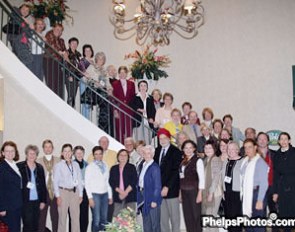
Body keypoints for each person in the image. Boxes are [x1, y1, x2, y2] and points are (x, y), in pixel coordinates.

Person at [154, 128, 182, 232]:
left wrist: (167, 187)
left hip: (171, 190)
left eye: (164, 138)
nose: (162, 140)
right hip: (159, 191)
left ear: (169, 138)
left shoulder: (176, 152)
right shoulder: (157, 151)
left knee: (174, 218)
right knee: (163, 220)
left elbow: (176, 171)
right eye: (160, 138)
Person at [53, 144, 83, 232]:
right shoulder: (58, 166)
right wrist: (58, 196)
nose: (67, 153)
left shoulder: (76, 165)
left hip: (74, 192)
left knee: (75, 218)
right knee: (62, 218)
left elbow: (79, 180)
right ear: (62, 153)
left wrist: (81, 194)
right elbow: (55, 182)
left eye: (69, 151)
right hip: (63, 192)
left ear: (72, 153)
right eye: (65, 151)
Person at [240, 139, 268, 232]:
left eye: (250, 147)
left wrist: (260, 200)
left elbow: (264, 183)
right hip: (247, 194)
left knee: (257, 224)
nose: (247, 149)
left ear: (255, 147)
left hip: (257, 194)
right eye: (245, 147)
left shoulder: (260, 162)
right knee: (248, 223)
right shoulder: (245, 161)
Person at [17, 145, 47, 232]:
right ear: (26, 154)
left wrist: (43, 201)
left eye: (34, 154)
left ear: (36, 155)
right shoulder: (20, 166)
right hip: (25, 201)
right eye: (30, 153)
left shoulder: (39, 167)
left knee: (35, 224)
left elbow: (43, 186)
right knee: (27, 224)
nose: (32, 156)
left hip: (37, 201)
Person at [85, 146, 112, 231]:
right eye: (96, 154)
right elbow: (87, 183)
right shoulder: (90, 167)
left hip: (105, 194)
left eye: (100, 154)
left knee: (104, 219)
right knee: (96, 219)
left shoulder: (105, 165)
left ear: (102, 154)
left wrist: (110, 196)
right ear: (93, 155)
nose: (98, 156)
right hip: (95, 195)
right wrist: (90, 198)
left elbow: (107, 181)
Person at [83, 52, 113, 131]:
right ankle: (100, 127)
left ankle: (103, 127)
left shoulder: (105, 71)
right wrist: (94, 82)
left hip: (102, 91)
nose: (100, 60)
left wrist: (110, 89)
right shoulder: (91, 67)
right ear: (96, 59)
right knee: (104, 102)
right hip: (93, 90)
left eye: (102, 59)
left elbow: (107, 83)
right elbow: (86, 78)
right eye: (99, 58)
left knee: (107, 106)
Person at [179, 140, 204, 232]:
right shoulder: (183, 162)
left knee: (196, 216)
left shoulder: (198, 160)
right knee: (187, 216)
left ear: (194, 149)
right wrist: (180, 193)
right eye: (186, 148)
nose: (188, 150)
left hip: (194, 192)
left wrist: (200, 193)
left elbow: (202, 178)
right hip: (184, 191)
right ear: (183, 149)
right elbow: (181, 178)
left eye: (190, 147)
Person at [273, 132, 295, 231]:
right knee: (284, 214)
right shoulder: (276, 155)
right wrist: (275, 192)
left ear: (289, 140)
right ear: (278, 141)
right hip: (281, 188)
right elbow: (275, 174)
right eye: (281, 139)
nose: (283, 141)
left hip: (293, 186)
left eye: (286, 139)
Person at [138, 145, 162, 232]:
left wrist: (155, 200)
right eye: (144, 153)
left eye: (148, 153)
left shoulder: (154, 167)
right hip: (143, 196)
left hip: (152, 198)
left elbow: (158, 186)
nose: (146, 155)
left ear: (152, 154)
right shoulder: (143, 165)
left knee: (155, 225)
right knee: (146, 223)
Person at [257, 132, 278, 232]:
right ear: (257, 141)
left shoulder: (274, 154)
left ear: (268, 141)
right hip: (259, 188)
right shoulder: (254, 155)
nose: (262, 141)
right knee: (261, 213)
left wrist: (276, 191)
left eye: (264, 139)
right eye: (260, 139)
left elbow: (278, 174)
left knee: (274, 212)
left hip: (272, 188)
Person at [37, 139, 59, 232]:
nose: (48, 149)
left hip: (55, 191)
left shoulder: (59, 160)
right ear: (43, 149)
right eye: (46, 147)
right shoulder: (38, 161)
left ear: (52, 148)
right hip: (43, 192)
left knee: (55, 217)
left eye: (49, 146)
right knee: (41, 217)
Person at [221, 141, 244, 232]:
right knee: (229, 218)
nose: (230, 151)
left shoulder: (243, 161)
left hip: (237, 194)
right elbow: (222, 177)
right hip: (227, 193)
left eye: (232, 149)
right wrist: (223, 190)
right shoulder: (226, 161)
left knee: (236, 219)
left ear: (237, 150)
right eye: (228, 149)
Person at [0, 141, 22, 232]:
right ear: (3, 153)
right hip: (8, 207)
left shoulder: (16, 165)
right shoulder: (2, 167)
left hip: (17, 204)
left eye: (12, 151)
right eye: (7, 151)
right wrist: (2, 207)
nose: (10, 153)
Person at [202, 140, 223, 232]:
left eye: (210, 148)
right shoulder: (207, 160)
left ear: (214, 149)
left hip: (214, 193)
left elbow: (216, 178)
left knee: (210, 217)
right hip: (209, 192)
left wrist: (210, 193)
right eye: (206, 148)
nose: (207, 150)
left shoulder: (215, 160)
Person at [109, 149, 137, 216]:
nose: (123, 157)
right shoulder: (113, 168)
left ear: (128, 157)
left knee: (130, 220)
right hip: (117, 197)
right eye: (121, 155)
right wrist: (120, 192)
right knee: (117, 219)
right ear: (118, 157)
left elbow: (134, 181)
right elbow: (111, 182)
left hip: (130, 197)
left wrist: (125, 193)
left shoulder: (132, 167)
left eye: (125, 155)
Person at [5, 3, 34, 69]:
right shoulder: (16, 16)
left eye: (27, 11)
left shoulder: (25, 22)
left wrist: (31, 29)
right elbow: (14, 9)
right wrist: (24, 19)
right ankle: (23, 75)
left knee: (25, 59)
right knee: (28, 59)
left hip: (24, 43)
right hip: (17, 40)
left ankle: (20, 74)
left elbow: (29, 35)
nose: (25, 11)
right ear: (20, 9)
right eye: (23, 9)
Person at [44, 23, 67, 99]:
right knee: (52, 84)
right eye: (57, 29)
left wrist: (65, 53)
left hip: (58, 63)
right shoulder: (49, 35)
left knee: (59, 84)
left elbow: (65, 51)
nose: (59, 31)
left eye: (61, 30)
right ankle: (52, 101)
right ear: (53, 29)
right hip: (49, 61)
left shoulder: (61, 40)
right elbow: (52, 47)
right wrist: (60, 52)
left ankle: (59, 102)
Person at [112, 66, 136, 142]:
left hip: (129, 110)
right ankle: (120, 147)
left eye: (124, 72)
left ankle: (129, 147)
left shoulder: (131, 84)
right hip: (119, 109)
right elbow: (112, 98)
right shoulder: (114, 84)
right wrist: (114, 110)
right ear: (119, 74)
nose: (122, 74)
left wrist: (133, 108)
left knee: (129, 130)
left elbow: (133, 98)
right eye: (121, 73)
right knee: (119, 129)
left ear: (126, 74)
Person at [70, 146, 88, 232]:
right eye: (77, 153)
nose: (79, 155)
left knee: (84, 216)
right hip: (74, 193)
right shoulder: (70, 165)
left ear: (84, 153)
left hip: (85, 193)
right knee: (73, 217)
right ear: (74, 154)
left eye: (81, 153)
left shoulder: (87, 165)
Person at [131, 80, 156, 144]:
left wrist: (152, 118)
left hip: (148, 122)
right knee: (139, 142)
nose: (143, 87)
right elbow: (130, 105)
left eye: (145, 86)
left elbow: (153, 110)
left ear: (147, 88)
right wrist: (138, 109)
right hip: (138, 121)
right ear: (139, 88)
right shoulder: (135, 97)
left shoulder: (150, 98)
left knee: (148, 142)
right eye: (141, 86)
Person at [79, 44, 94, 119]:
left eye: (89, 50)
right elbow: (82, 71)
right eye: (86, 50)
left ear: (91, 51)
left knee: (88, 103)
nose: (88, 52)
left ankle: (87, 120)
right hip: (84, 83)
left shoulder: (93, 62)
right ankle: (84, 120)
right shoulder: (82, 61)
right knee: (85, 102)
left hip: (90, 84)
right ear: (84, 52)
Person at [65, 37, 82, 107]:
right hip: (70, 76)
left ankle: (71, 109)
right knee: (70, 96)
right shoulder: (67, 53)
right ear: (69, 44)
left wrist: (79, 77)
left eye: (76, 43)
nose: (74, 45)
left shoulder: (78, 54)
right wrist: (69, 75)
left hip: (76, 77)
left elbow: (80, 67)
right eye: (72, 43)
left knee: (73, 96)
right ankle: (69, 110)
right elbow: (65, 64)